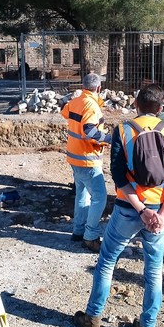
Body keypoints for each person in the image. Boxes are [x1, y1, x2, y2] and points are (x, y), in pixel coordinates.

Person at [73, 85, 164, 327]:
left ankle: (93, 318)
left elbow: (120, 176)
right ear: (160, 109)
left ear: (135, 105)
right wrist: (161, 214)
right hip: (159, 211)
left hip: (128, 208)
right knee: (154, 270)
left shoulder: (123, 131)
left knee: (107, 262)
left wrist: (141, 210)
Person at [60, 73, 112, 252]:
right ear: (98, 88)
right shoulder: (91, 105)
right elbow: (89, 131)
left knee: (83, 194)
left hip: (75, 157)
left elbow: (64, 112)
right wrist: (108, 139)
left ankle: (78, 231)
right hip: (88, 159)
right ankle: (90, 236)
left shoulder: (77, 101)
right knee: (100, 198)